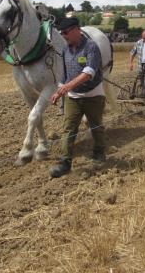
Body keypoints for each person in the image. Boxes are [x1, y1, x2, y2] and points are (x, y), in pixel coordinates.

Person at [50, 17, 106, 178]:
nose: (64, 36)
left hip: (93, 94)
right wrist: (59, 91)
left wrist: (68, 87)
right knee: (69, 129)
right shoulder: (66, 50)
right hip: (73, 97)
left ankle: (99, 152)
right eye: (62, 33)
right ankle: (65, 163)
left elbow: (89, 72)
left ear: (76, 30)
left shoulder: (91, 47)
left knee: (96, 126)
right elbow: (65, 76)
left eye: (66, 33)